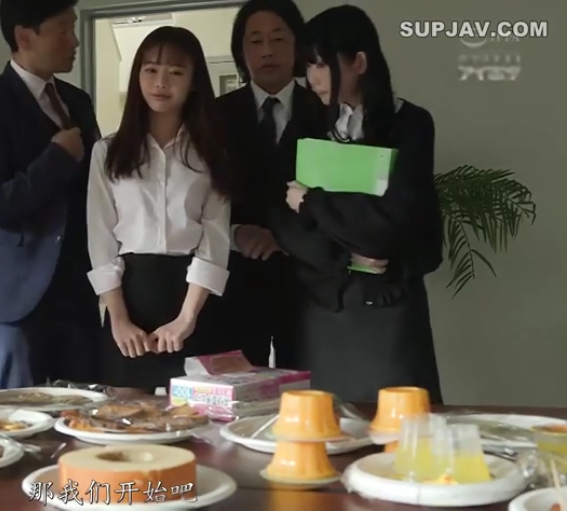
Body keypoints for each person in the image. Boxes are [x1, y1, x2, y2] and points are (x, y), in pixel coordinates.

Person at [278, 4, 443, 402]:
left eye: (321, 64)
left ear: (360, 62)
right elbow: (281, 216)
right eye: (308, 65)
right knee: (324, 425)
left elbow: (391, 221)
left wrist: (312, 204)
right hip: (322, 305)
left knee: (399, 423)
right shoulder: (305, 125)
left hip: (389, 305)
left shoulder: (411, 124)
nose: (312, 78)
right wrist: (344, 255)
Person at [0, 0, 101, 389]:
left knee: (86, 411)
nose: (74, 40)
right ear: (24, 37)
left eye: (73, 27)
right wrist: (56, 158)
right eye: (63, 30)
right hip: (15, 298)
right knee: (22, 415)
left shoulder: (78, 102)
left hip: (78, 292)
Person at [87, 26, 231, 394]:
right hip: (130, 298)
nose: (161, 82)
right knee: (124, 415)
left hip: (192, 300)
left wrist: (186, 318)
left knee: (197, 419)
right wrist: (118, 319)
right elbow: (101, 240)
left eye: (176, 72)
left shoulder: (212, 152)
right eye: (150, 70)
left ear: (194, 82)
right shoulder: (108, 152)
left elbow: (215, 240)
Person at [214, 0, 344, 368]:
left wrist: (286, 238)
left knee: (309, 388)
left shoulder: (327, 110)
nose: (267, 50)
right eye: (255, 41)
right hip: (236, 282)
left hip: (308, 282)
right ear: (241, 51)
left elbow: (342, 197)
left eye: (278, 38)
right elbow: (196, 195)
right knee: (238, 388)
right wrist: (234, 231)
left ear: (298, 45)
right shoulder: (214, 115)